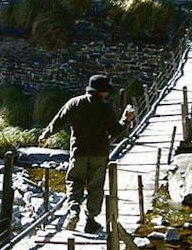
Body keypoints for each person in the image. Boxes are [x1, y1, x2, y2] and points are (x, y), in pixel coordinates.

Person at [38, 74, 135, 233]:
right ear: (102, 92)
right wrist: (126, 119)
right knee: (95, 187)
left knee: (74, 181)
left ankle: (74, 210)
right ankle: (90, 221)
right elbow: (116, 131)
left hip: (79, 152)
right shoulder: (105, 107)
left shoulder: (74, 103)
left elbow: (58, 121)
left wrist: (45, 135)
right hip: (99, 154)